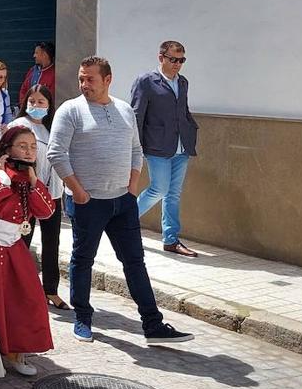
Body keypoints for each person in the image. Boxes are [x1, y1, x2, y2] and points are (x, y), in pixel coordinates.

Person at [46, 56, 194, 345]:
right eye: (81, 78)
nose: (84, 84)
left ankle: (153, 326)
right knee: (82, 260)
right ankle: (83, 319)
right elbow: (56, 153)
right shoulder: (71, 110)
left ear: (107, 79)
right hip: (88, 202)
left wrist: (132, 187)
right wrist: (77, 191)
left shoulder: (125, 110)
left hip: (122, 201)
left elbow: (136, 150)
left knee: (135, 262)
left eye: (90, 78)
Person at [0, 126, 55, 376]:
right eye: (23, 146)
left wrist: (33, 183)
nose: (29, 151)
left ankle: (17, 351)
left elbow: (46, 211)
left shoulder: (29, 177)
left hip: (13, 245)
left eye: (33, 146)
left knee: (26, 297)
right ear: (7, 149)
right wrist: (1, 174)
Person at [132, 41, 200, 258]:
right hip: (156, 145)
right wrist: (136, 146)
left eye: (181, 60)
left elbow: (183, 109)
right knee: (159, 189)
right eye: (173, 60)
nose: (177, 65)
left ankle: (171, 240)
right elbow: (136, 114)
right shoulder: (146, 81)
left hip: (181, 145)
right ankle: (123, 221)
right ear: (161, 58)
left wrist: (191, 128)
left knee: (173, 194)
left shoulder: (183, 82)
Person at [9, 84, 67, 309]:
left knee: (51, 242)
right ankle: (20, 288)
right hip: (27, 192)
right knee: (24, 240)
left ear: (49, 105)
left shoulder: (53, 128)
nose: (36, 105)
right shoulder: (18, 126)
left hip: (52, 193)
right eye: (32, 101)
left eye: (41, 102)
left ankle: (51, 290)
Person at [17, 41, 56, 111]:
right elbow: (23, 89)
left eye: (36, 53)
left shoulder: (54, 74)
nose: (34, 55)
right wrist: (24, 107)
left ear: (44, 55)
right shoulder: (32, 71)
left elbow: (52, 98)